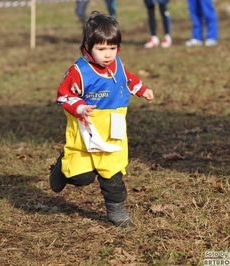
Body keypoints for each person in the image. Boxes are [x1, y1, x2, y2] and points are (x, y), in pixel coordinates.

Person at [50, 11, 154, 227]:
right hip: (85, 132)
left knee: (112, 171)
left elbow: (128, 79)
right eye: (101, 49)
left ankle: (116, 209)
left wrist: (141, 90)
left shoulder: (117, 65)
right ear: (87, 47)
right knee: (82, 177)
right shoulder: (78, 72)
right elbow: (64, 96)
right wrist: (79, 107)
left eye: (112, 48)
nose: (108, 54)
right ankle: (61, 167)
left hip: (112, 131)